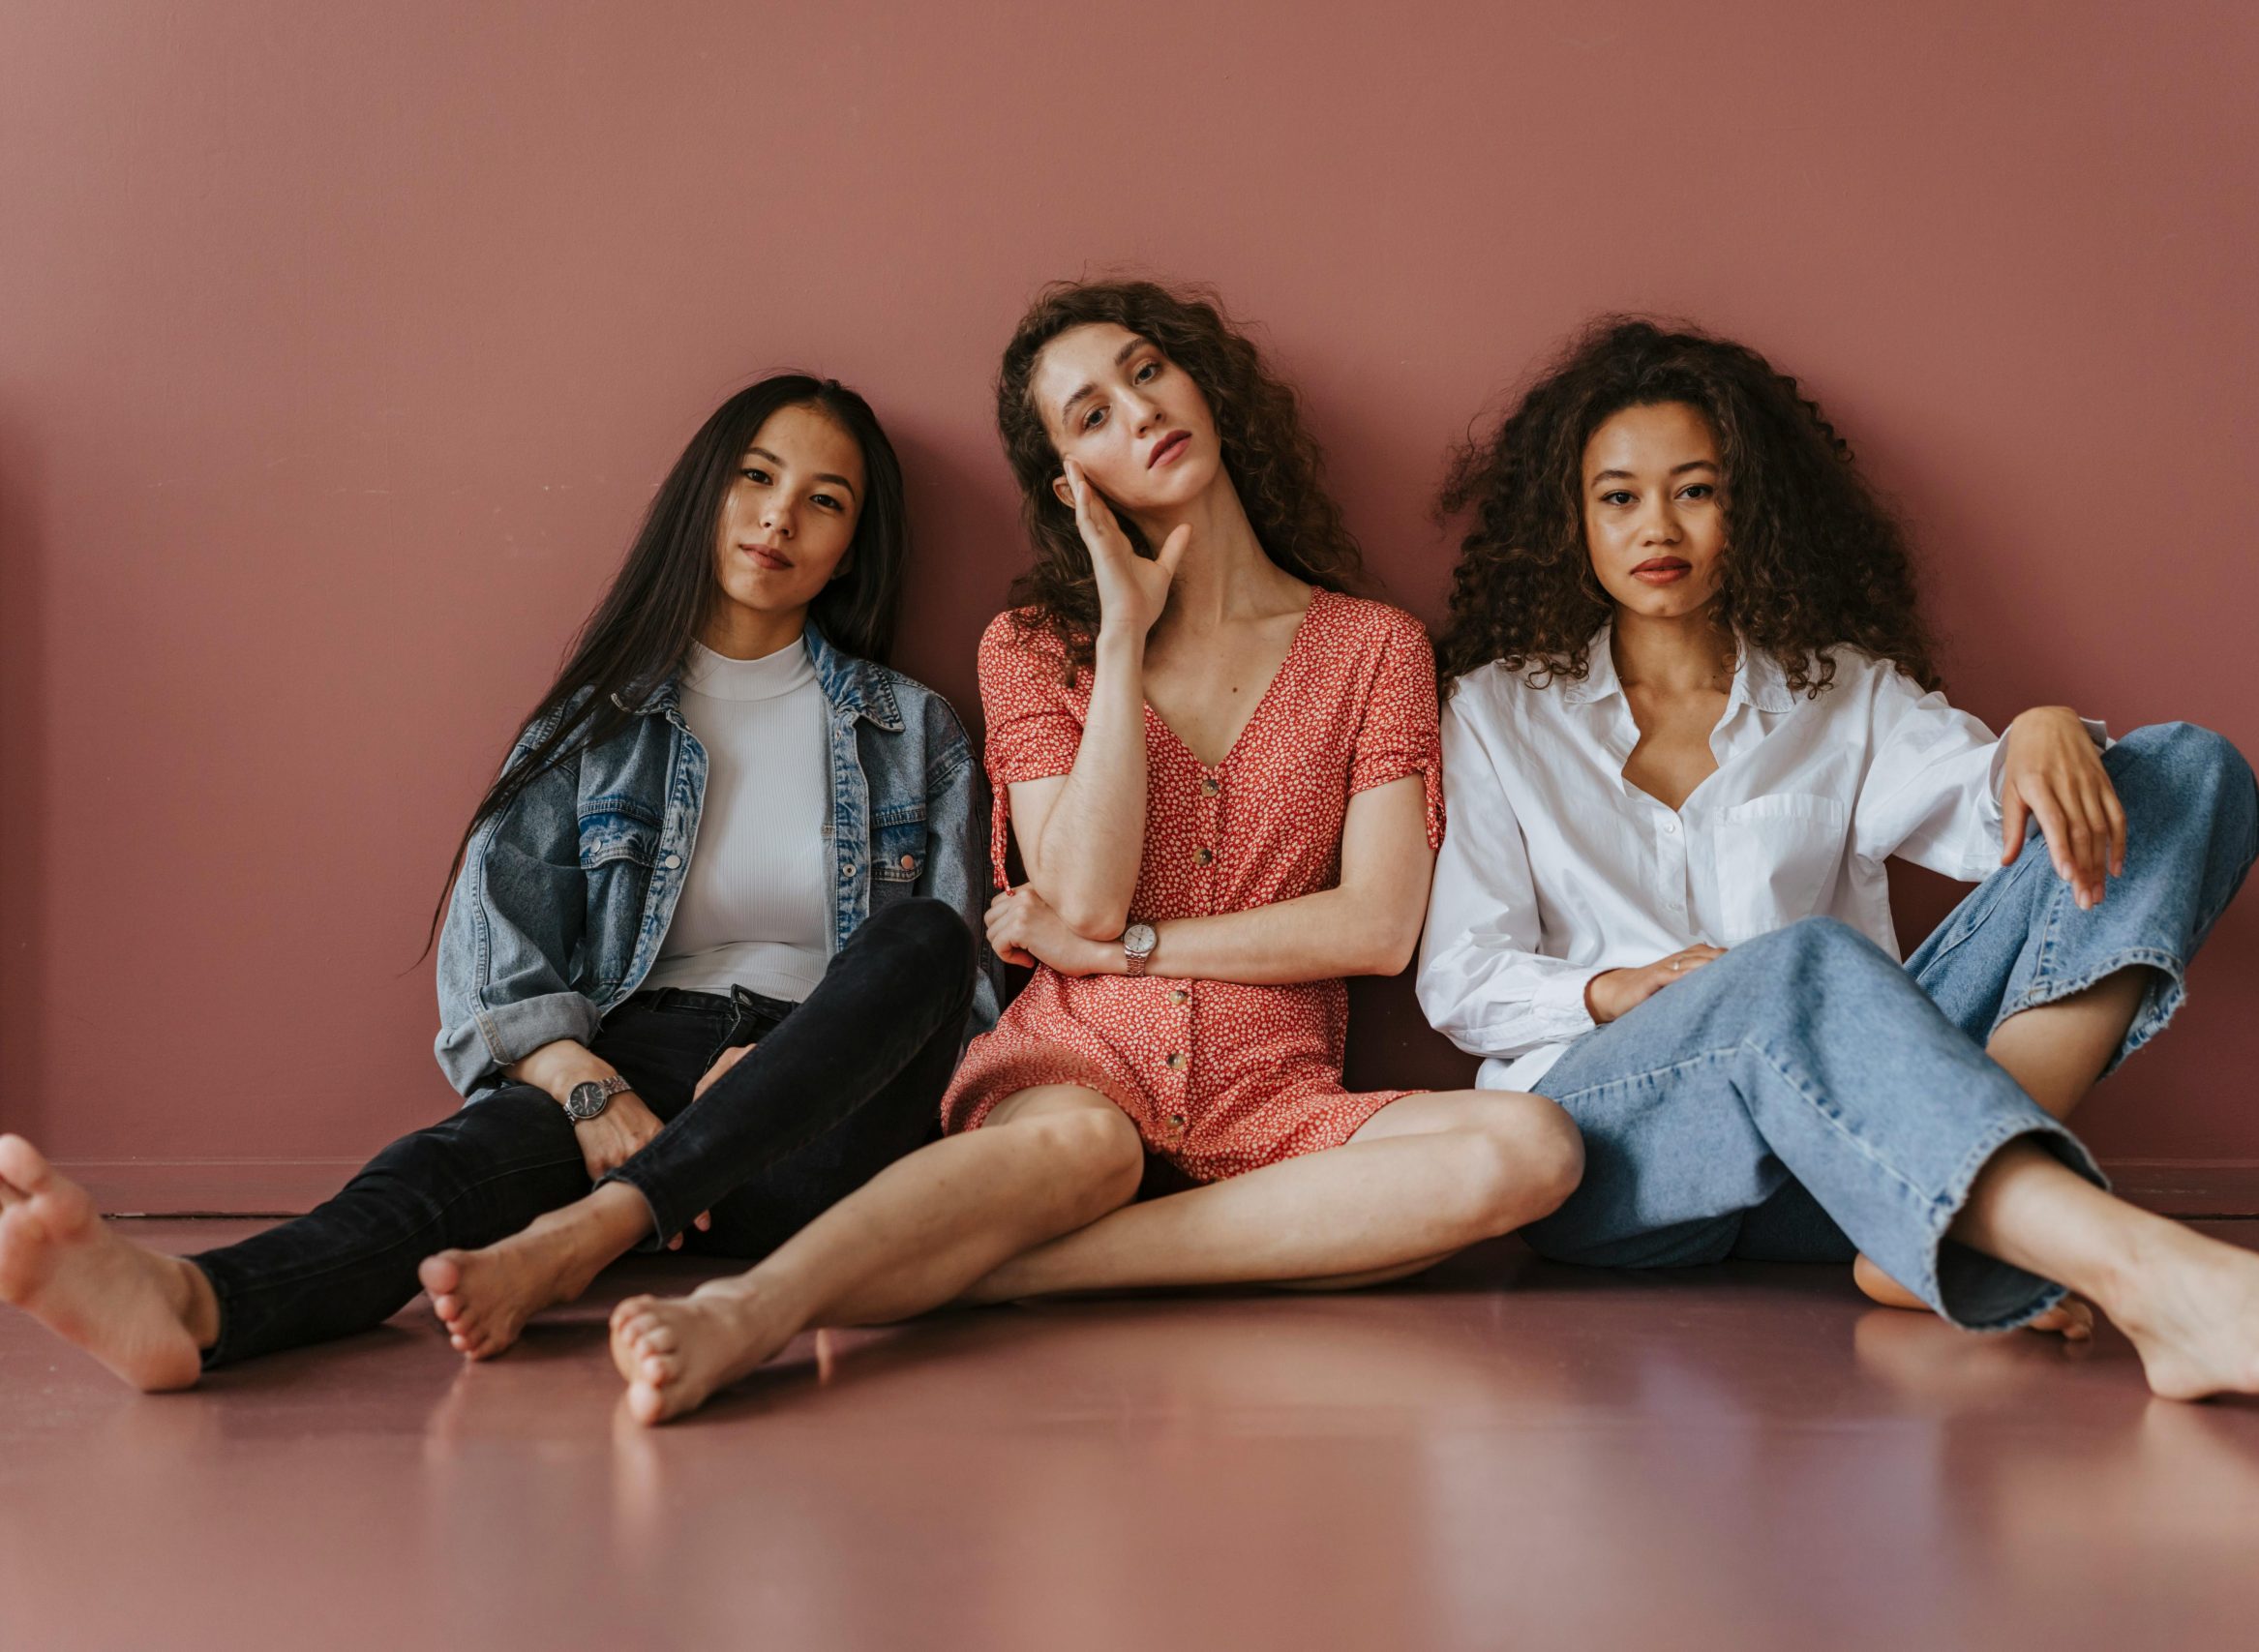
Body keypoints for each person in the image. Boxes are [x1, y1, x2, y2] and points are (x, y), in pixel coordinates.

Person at [603, 281, 1581, 1424]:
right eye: (1092, 415)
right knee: (1089, 1153)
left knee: (1534, 1148)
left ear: (1205, 385)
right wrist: (1120, 641)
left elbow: (1374, 927)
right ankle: (748, 1310)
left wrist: (1127, 952)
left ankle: (1023, 1273)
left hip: (1276, 1098)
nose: (1139, 411)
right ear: (1070, 482)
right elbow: (1077, 896)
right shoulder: (1035, 647)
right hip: (1075, 1073)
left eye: (1147, 371)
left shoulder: (1374, 648)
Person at [1416, 317, 2259, 1399]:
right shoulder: (1495, 712)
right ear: (1572, 519)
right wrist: (1614, 989)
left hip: (1842, 1158)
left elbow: (1996, 818)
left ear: (1751, 508)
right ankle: (2122, 1265)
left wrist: (2035, 735)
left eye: (1696, 490)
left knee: (2182, 772)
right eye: (1618, 497)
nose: (1659, 525)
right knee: (1796, 964)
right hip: (1626, 1160)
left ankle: (1940, 1207)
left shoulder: (1840, 690)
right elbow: (1460, 977)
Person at [0, 374, 997, 1390]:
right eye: (756, 476)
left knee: (926, 938)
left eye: (825, 500)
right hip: (629, 1078)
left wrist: (784, 1071)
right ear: (707, 491)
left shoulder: (915, 732)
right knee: (447, 1164)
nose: (780, 516)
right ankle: (190, 1303)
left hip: (817, 1110)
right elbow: (499, 958)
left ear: (850, 548)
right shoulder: (595, 722)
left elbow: (955, 1003)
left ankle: (588, 1236)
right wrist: (587, 1088)